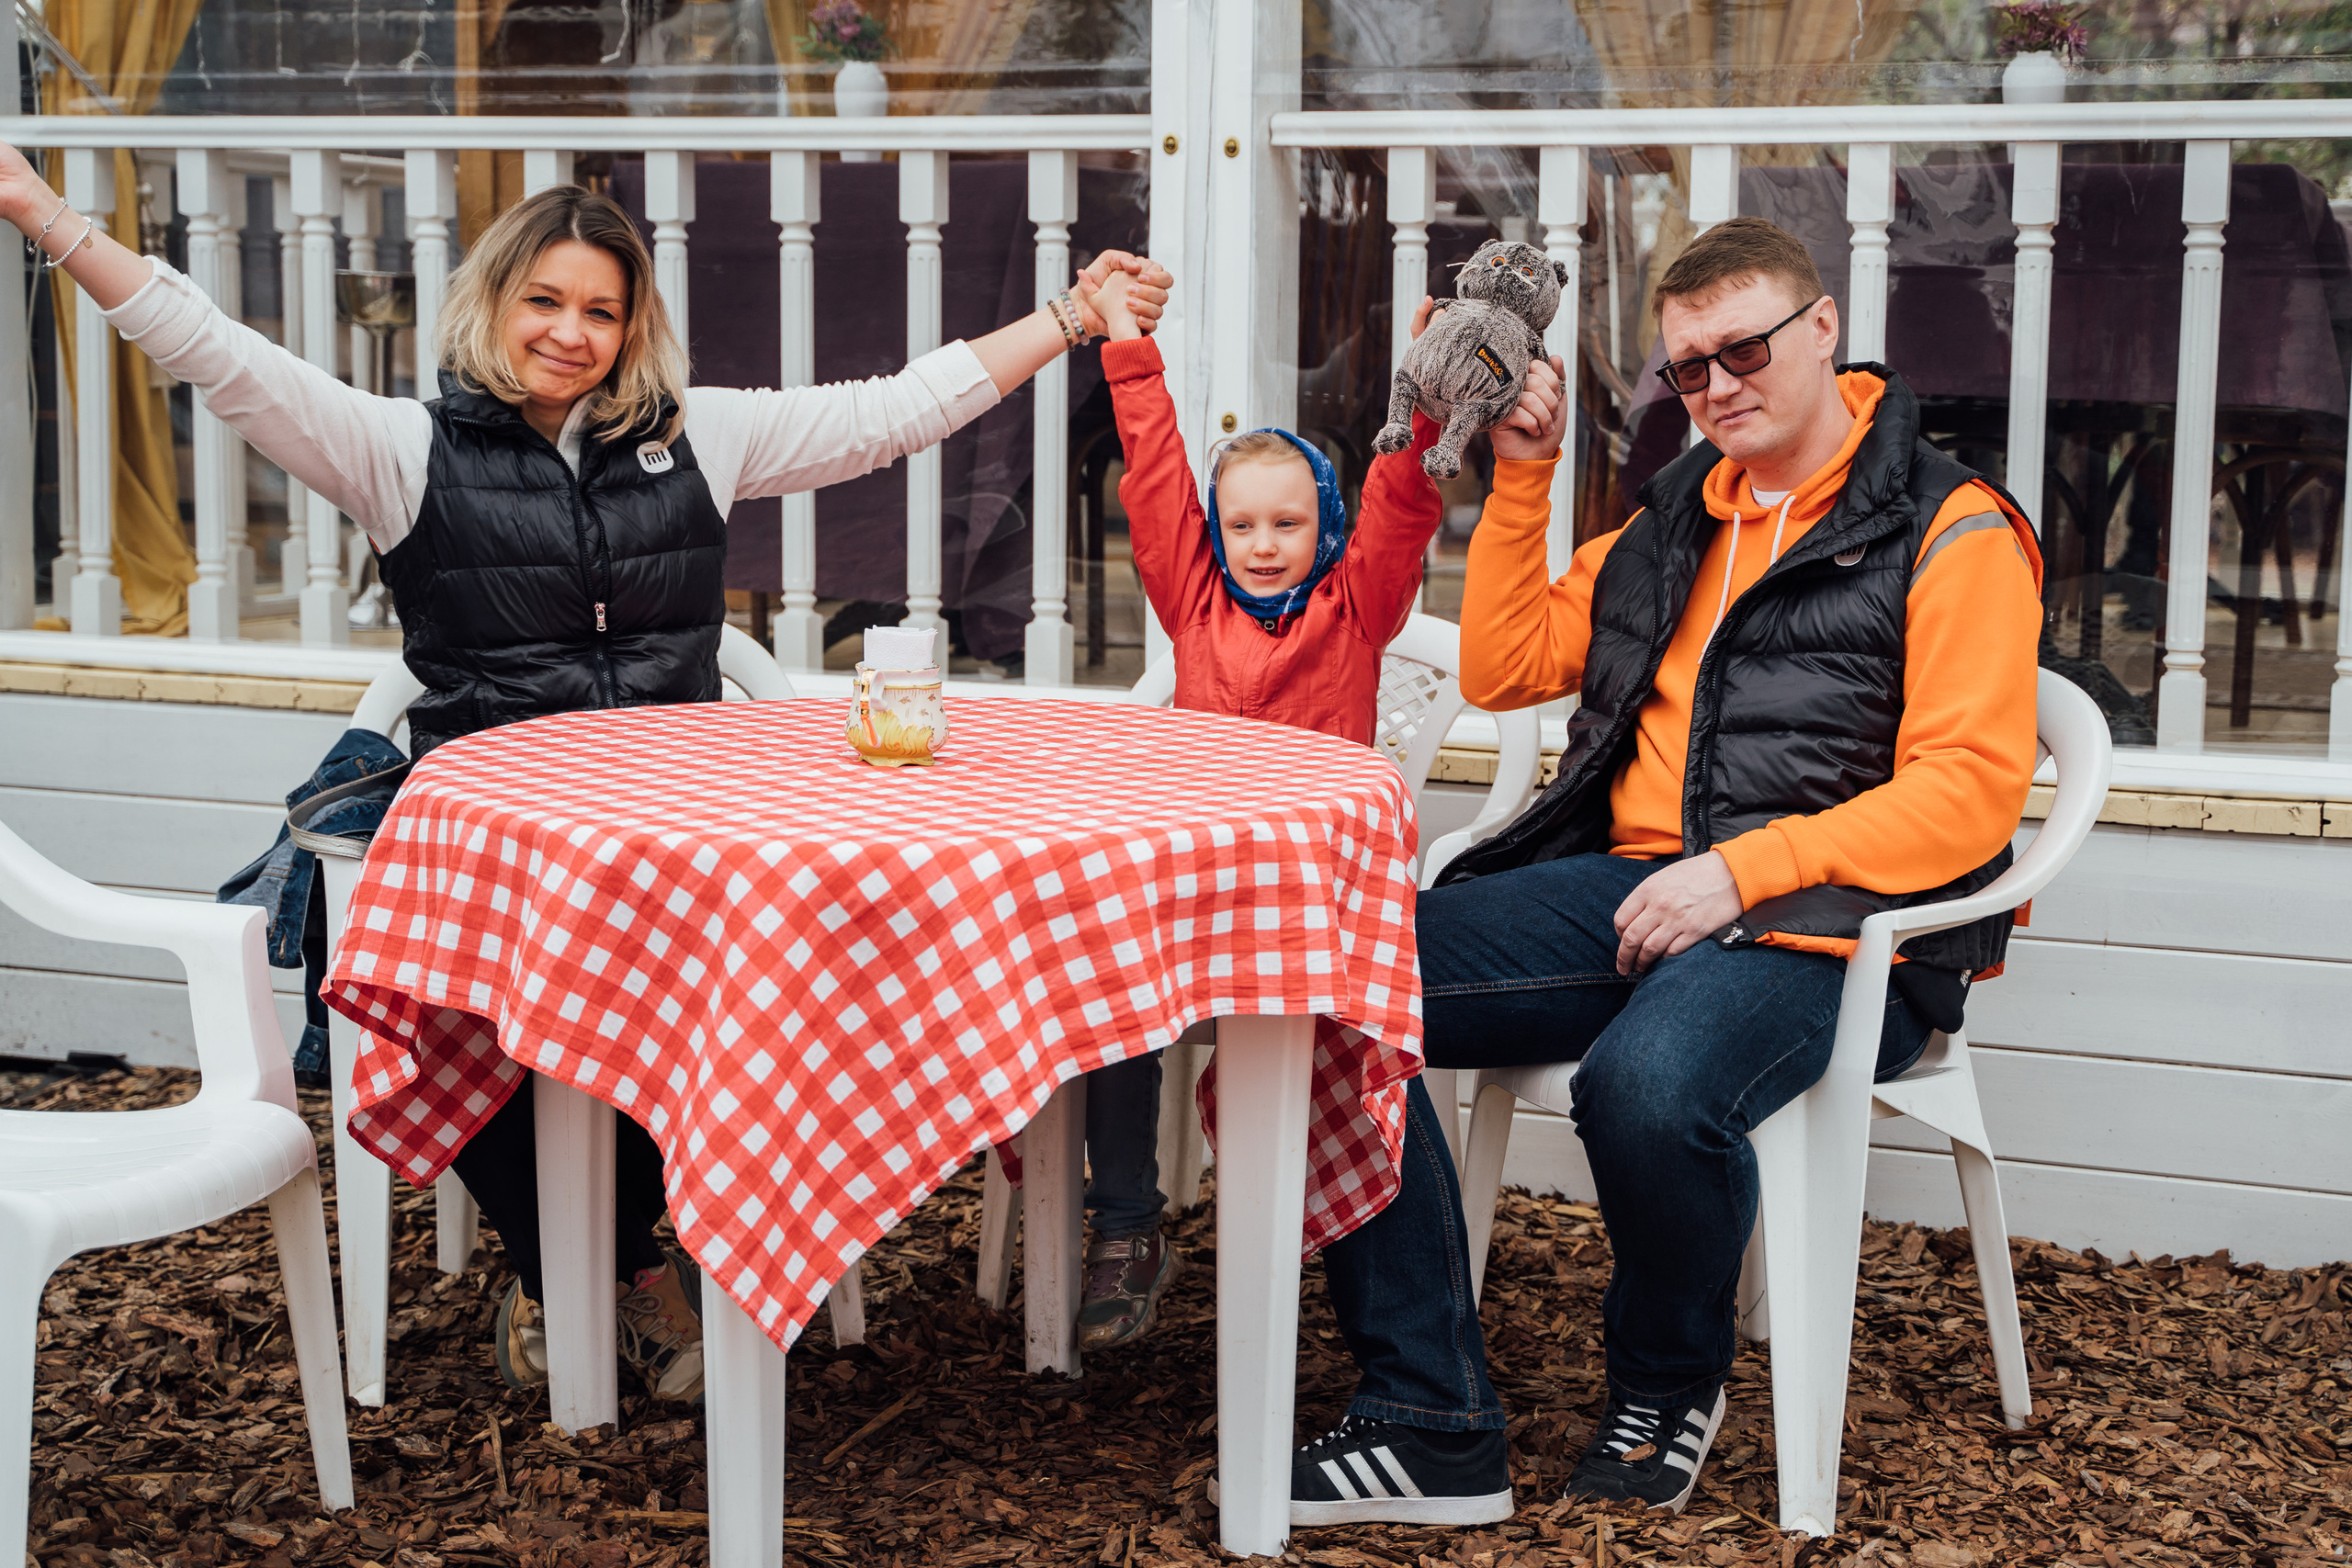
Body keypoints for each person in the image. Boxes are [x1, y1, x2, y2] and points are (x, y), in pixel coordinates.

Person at [0, 144, 1165, 1404]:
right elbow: (211, 351)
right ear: (493, 302)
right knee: (457, 1018)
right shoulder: (399, 448)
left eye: (602, 310)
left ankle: (612, 1255)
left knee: (765, 1005)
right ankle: (596, 1267)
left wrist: (1067, 317)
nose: (571, 332)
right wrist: (38, 208)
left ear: (633, 325)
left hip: (670, 830)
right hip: (506, 842)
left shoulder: (698, 433)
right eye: (543, 301)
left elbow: (895, 407)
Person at [1291, 215, 2044, 1525]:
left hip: (1836, 927)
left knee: (1645, 1086)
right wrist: (1526, 474)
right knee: (1338, 981)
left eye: (1743, 348)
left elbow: (1969, 797)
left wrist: (1749, 872)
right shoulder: (1677, 515)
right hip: (1639, 885)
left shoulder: (1952, 526)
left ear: (1822, 330)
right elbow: (1508, 663)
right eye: (1688, 369)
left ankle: (1663, 1381)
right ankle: (1429, 1416)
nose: (1718, 386)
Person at [1071, 279, 1561, 1351]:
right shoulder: (1190, 599)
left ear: (1322, 528)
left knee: (1302, 1056)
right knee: (1105, 1001)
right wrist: (1126, 350)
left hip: (1306, 911)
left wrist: (1427, 389)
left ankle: (1311, 1230)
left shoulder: (1355, 607)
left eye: (1286, 523)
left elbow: (1400, 499)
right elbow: (1152, 477)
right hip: (1197, 896)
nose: (1259, 544)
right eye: (1238, 524)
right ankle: (1123, 1222)